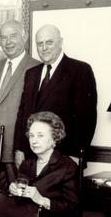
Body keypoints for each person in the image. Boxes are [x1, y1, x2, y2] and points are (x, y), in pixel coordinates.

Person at [13, 25, 97, 166]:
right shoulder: (31, 74)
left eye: (49, 42)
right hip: (31, 156)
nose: (44, 48)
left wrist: (77, 155)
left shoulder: (80, 70)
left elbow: (86, 118)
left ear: (60, 42)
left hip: (65, 157)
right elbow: (22, 114)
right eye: (40, 44)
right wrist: (20, 149)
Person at [0, 20, 40, 185]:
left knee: (15, 197)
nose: (8, 42)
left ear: (25, 37)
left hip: (16, 146)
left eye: (13, 36)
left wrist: (23, 146)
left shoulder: (36, 67)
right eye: (3, 37)